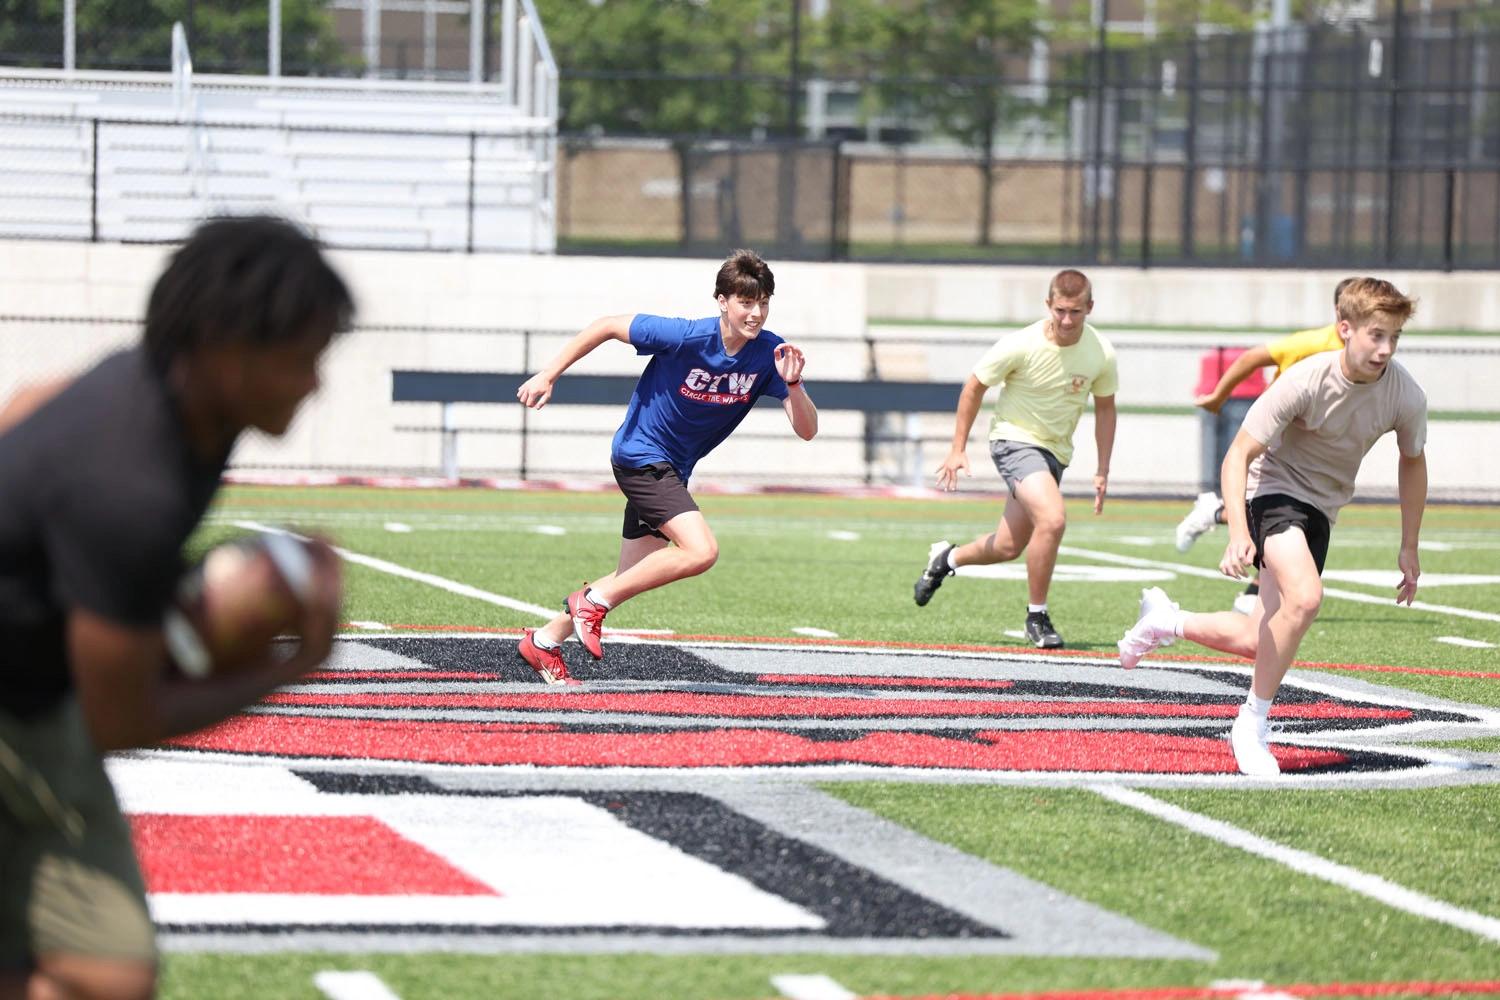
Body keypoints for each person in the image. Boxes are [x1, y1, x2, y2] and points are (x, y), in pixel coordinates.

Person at [0, 215, 349, 1000]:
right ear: (228, 349)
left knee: (109, 976)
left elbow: (26, 403)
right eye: (302, 358)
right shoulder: (131, 486)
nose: (314, 383)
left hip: (33, 695)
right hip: (26, 705)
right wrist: (293, 663)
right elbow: (118, 719)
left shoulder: (163, 391)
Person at [1118, 277, 1426, 777]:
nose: (1385, 349)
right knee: (1305, 598)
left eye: (1394, 337)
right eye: (1376, 335)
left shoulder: (1404, 393)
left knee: (1255, 640)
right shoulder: (1305, 379)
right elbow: (1238, 454)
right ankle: (1252, 724)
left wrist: (1409, 545)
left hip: (1321, 511)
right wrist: (1239, 532)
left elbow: (1413, 460)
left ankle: (1164, 621)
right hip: (1273, 492)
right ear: (1345, 329)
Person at [514, 248, 818, 684]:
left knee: (629, 575)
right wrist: (548, 374)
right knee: (702, 551)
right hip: (641, 456)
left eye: (763, 303)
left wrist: (793, 383)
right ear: (723, 301)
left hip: (673, 470)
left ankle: (544, 641)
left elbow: (807, 430)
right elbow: (606, 326)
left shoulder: (771, 354)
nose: (756, 313)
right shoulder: (685, 336)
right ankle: (590, 604)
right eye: (746, 302)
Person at [912, 269, 1117, 650]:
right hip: (1014, 442)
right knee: (1052, 520)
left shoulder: (1100, 353)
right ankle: (1037, 617)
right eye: (1060, 311)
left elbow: (1106, 409)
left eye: (1075, 312)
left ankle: (946, 559)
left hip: (1055, 453)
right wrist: (957, 448)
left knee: (1008, 546)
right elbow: (974, 386)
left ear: (1090, 308)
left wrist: (1102, 469)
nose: (1067, 320)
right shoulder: (1020, 344)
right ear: (1048, 305)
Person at [1175, 277, 1358, 614]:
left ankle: (1251, 588)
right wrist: (1218, 396)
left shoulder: (1370, 361)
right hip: (1279, 441)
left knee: (1300, 520)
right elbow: (1251, 358)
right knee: (1280, 512)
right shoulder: (1314, 343)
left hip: (1315, 449)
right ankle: (1220, 527)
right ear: (1341, 314)